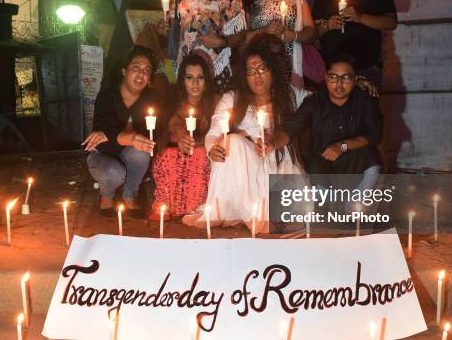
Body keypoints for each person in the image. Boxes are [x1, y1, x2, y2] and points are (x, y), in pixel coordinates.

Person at [183, 39, 308, 232]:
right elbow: (214, 132)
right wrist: (211, 149)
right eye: (250, 71)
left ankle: (263, 215)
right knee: (232, 142)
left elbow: (316, 100)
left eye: (262, 69)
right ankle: (251, 215)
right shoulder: (232, 98)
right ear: (244, 76)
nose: (257, 76)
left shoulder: (289, 95)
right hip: (245, 163)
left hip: (277, 161)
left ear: (272, 71)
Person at [265, 53, 383, 210]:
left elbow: (375, 133)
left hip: (356, 160)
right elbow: (292, 127)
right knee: (320, 202)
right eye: (334, 77)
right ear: (326, 78)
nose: (339, 83)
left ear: (355, 80)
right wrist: (273, 143)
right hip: (323, 162)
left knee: (372, 159)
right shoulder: (314, 102)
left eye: (346, 78)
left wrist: (342, 146)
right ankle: (325, 207)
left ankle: (355, 205)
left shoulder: (365, 99)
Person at [83, 46, 157, 215]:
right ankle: (106, 195)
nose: (141, 74)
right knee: (114, 172)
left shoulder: (150, 99)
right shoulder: (107, 96)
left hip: (128, 155)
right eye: (136, 68)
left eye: (147, 70)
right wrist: (129, 138)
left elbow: (149, 135)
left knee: (142, 152)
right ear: (124, 71)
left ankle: (130, 194)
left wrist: (120, 137)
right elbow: (101, 142)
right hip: (103, 156)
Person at [151, 54, 218, 219]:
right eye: (189, 77)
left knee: (200, 156)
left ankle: (194, 207)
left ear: (206, 81)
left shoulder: (214, 101)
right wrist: (181, 134)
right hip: (177, 144)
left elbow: (218, 129)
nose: (195, 83)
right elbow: (173, 121)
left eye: (200, 77)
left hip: (204, 145)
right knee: (168, 155)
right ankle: (165, 206)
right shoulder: (175, 98)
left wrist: (198, 143)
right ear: (183, 80)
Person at [245, 0, 316, 89]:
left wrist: (294, 35)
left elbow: (312, 32)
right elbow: (243, 39)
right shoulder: (250, 3)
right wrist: (263, 31)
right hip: (259, 67)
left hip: (291, 65)